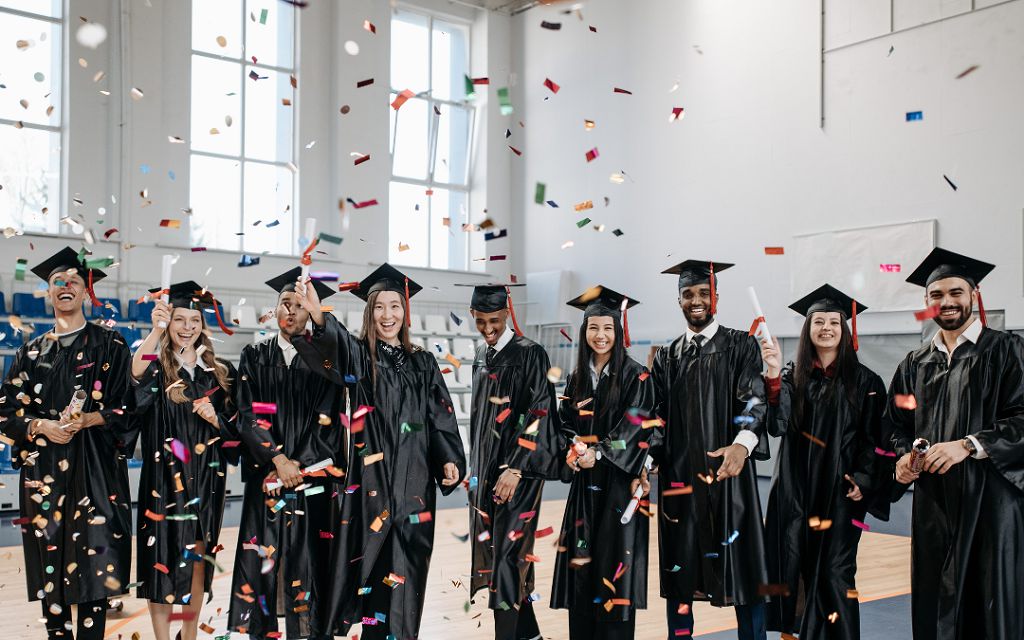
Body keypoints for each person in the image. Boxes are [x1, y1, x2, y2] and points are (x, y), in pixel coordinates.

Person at [293, 263, 466, 639]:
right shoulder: (359, 357)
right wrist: (319, 315)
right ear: (369, 313)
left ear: (405, 313)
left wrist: (449, 459)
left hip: (417, 492)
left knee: (409, 582)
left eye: (395, 306)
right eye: (379, 307)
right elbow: (333, 349)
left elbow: (439, 418)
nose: (387, 315)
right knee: (376, 580)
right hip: (375, 492)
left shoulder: (423, 362)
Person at [886, 247, 1024, 640]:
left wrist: (967, 445)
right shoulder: (915, 363)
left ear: (974, 295)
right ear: (926, 303)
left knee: (987, 603)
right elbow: (895, 426)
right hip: (934, 505)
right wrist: (901, 459)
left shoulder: (1006, 351)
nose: (946, 302)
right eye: (936, 295)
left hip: (992, 505)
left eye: (956, 293)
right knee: (935, 600)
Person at [0, 247, 133, 639]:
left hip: (95, 472)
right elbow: (6, 412)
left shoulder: (111, 345)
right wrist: (41, 425)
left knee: (93, 564)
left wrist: (90, 418)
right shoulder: (30, 352)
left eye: (74, 281)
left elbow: (128, 408)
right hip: (45, 474)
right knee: (50, 560)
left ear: (86, 292)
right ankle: (55, 632)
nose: (65, 286)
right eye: (57, 282)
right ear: (47, 293)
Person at [760, 284, 889, 639]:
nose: (827, 327)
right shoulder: (791, 376)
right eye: (819, 321)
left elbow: (876, 441)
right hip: (794, 492)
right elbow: (777, 424)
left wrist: (863, 479)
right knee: (792, 566)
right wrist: (772, 375)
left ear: (845, 330)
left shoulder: (866, 383)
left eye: (835, 321)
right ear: (808, 328)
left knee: (835, 572)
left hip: (840, 493)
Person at [650, 259, 770, 640]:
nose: (696, 300)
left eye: (704, 293)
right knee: (681, 575)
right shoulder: (667, 358)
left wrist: (742, 444)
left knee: (743, 572)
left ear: (716, 297)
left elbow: (754, 399)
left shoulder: (740, 345)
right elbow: (655, 419)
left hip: (729, 481)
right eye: (689, 294)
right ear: (679, 300)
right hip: (681, 484)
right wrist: (647, 459)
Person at [228, 267, 346, 640]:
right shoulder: (254, 355)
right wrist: (277, 462)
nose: (291, 311)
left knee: (307, 567)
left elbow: (328, 420)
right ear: (274, 309)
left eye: (299, 304)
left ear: (311, 311)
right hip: (267, 481)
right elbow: (246, 415)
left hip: (310, 483)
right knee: (261, 567)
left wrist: (299, 466)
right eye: (285, 303)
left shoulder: (325, 363)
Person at [130, 281, 239, 640]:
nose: (188, 327)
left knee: (196, 562)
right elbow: (134, 375)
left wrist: (216, 420)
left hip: (208, 481)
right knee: (159, 559)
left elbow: (236, 432)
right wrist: (155, 331)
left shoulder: (219, 374)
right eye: (179, 319)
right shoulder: (157, 368)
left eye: (195, 320)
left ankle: (188, 636)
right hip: (163, 479)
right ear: (169, 321)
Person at [551, 286, 656, 640]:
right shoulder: (577, 377)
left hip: (618, 489)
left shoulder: (636, 376)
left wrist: (599, 453)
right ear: (584, 332)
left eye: (608, 328)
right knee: (582, 571)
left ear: (619, 331)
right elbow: (563, 423)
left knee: (615, 574)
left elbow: (637, 424)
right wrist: (573, 448)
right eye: (593, 328)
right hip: (584, 489)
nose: (600, 335)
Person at [458, 282, 562, 640]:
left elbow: (540, 412)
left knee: (507, 560)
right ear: (473, 315)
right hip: (485, 475)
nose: (488, 329)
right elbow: (481, 421)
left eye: (496, 321)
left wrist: (516, 467)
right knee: (499, 557)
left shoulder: (530, 354)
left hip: (519, 477)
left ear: (508, 314)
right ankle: (531, 635)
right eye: (481, 321)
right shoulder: (479, 356)